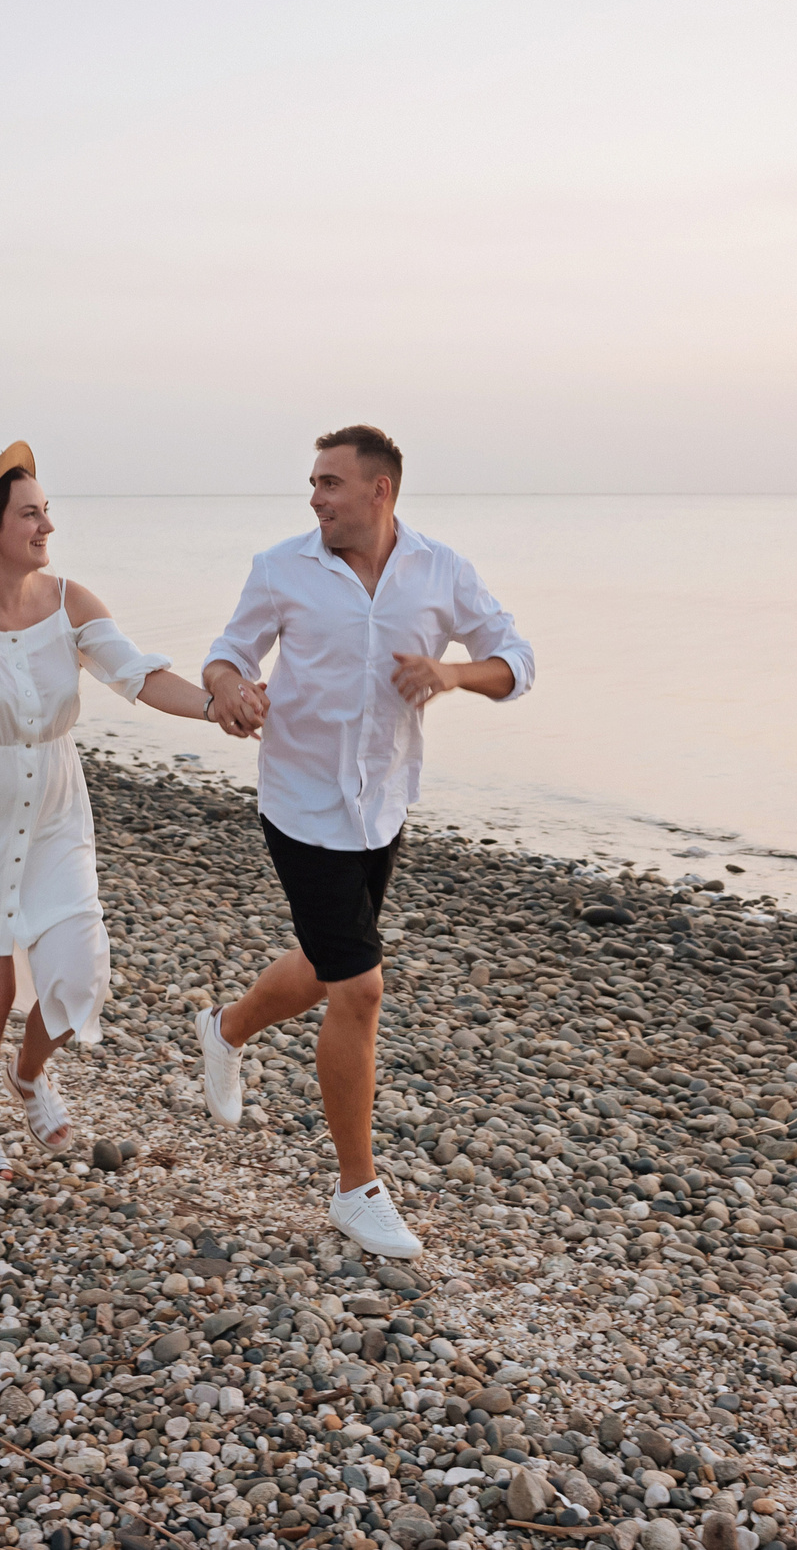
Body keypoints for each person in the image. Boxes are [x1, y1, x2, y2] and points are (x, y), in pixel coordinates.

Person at [193, 425, 535, 1258]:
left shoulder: (440, 571)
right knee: (361, 987)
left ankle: (225, 1029)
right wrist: (233, 690)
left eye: (330, 483)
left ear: (379, 491)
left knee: (323, 963)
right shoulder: (282, 567)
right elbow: (225, 655)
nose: (315, 498)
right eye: (313, 483)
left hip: (382, 803)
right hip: (300, 802)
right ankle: (357, 1188)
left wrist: (451, 673)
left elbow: (516, 660)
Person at [0, 441, 224, 1186]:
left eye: (47, 511)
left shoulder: (70, 599)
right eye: (31, 514)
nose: (47, 526)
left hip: (53, 807)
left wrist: (215, 708)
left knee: (81, 970)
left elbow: (139, 675)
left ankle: (30, 1072)